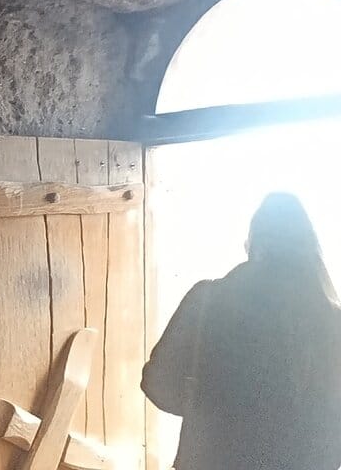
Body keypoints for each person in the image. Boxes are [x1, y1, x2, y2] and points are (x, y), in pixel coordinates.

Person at [142, 192, 341, 470]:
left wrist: (209, 406)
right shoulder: (332, 320)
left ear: (251, 245)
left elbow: (157, 383)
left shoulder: (207, 300)